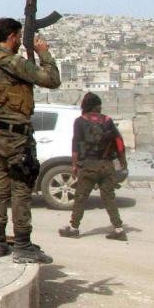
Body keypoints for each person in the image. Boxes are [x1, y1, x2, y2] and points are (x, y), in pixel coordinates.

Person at [0, 17, 61, 263]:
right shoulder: (13, 62)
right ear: (13, 37)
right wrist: (43, 53)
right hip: (16, 135)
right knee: (21, 189)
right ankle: (23, 245)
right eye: (18, 37)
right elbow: (52, 80)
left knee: (0, 187)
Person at [59, 92, 127, 240]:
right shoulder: (108, 120)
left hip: (88, 165)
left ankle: (74, 228)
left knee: (81, 197)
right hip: (106, 165)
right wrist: (123, 162)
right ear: (98, 106)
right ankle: (119, 229)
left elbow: (75, 144)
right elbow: (119, 142)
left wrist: (74, 165)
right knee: (109, 198)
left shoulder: (80, 121)